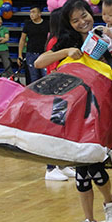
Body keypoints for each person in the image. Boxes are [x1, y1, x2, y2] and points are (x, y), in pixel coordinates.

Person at [34, 0, 112, 222]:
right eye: (75, 19)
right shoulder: (66, 41)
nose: (82, 21)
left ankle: (109, 201)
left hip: (100, 109)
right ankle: (89, 220)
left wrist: (109, 55)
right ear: (69, 24)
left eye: (84, 15)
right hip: (74, 111)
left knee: (95, 166)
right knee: (81, 169)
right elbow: (40, 62)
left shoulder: (104, 35)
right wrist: (65, 52)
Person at [43, 12, 76, 182]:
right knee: (55, 128)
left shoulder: (59, 39)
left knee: (64, 128)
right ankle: (50, 168)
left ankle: (62, 165)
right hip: (57, 89)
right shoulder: (55, 42)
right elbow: (54, 68)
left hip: (64, 88)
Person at [18, 6, 49, 85]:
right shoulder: (28, 25)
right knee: (33, 77)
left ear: (39, 14)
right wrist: (20, 54)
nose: (31, 14)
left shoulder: (47, 24)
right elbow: (22, 39)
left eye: (34, 12)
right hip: (31, 53)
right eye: (30, 12)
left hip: (44, 53)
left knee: (45, 76)